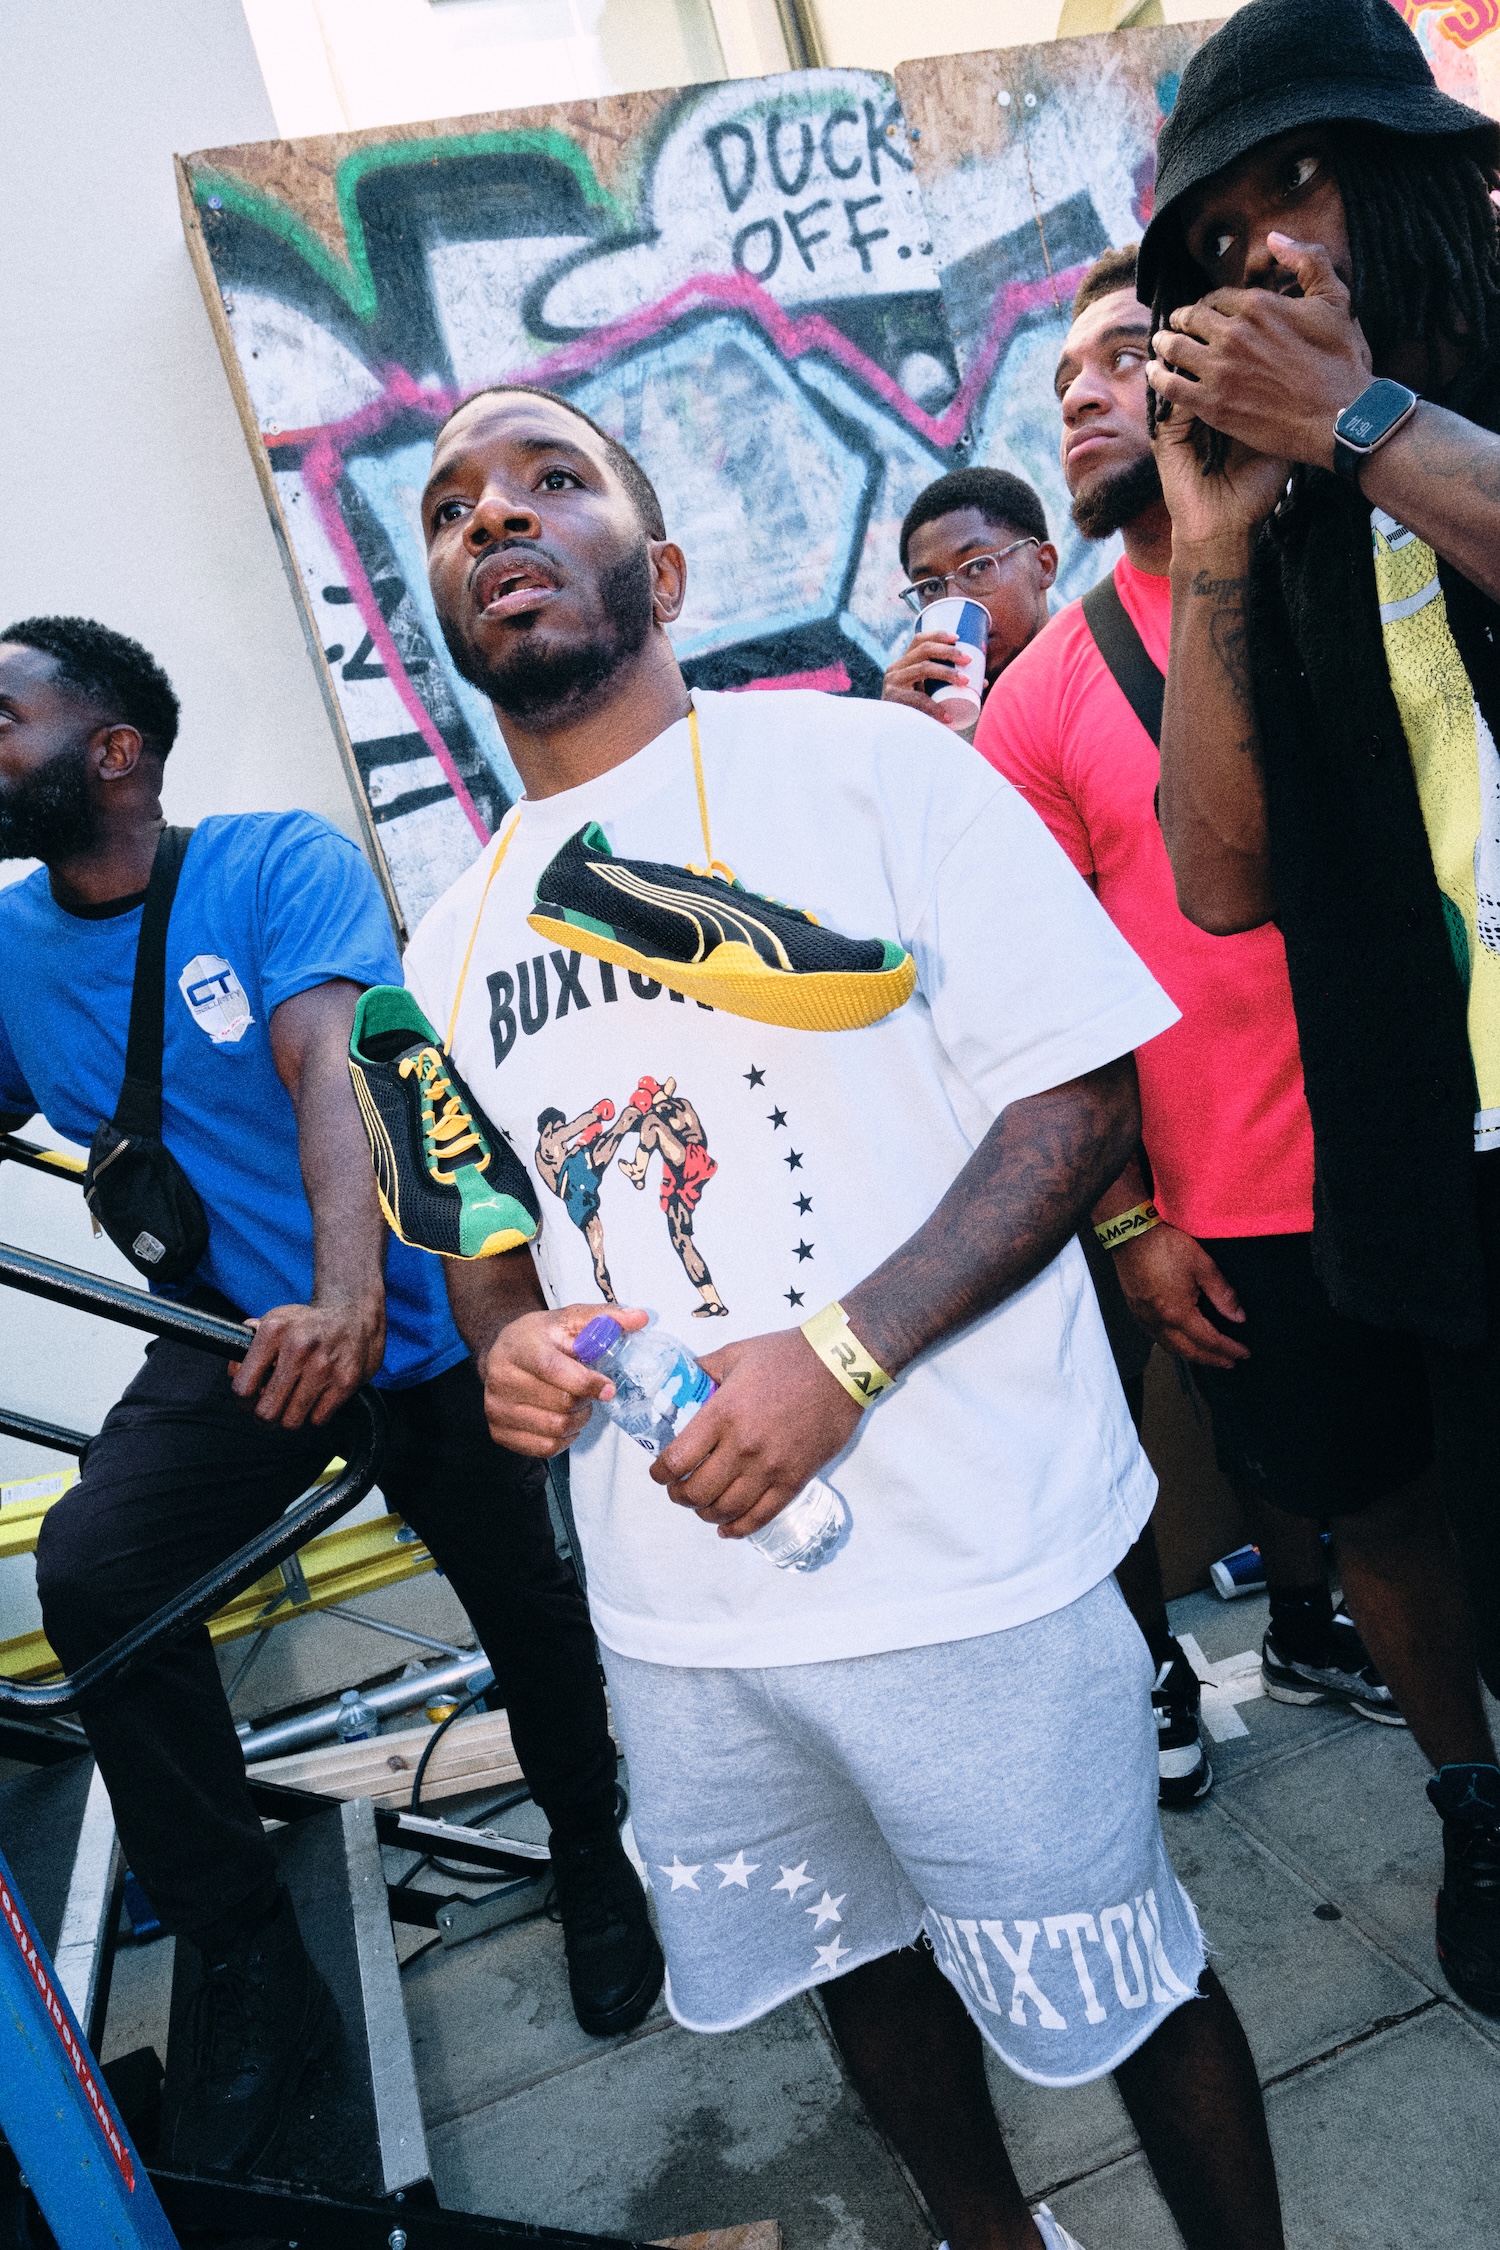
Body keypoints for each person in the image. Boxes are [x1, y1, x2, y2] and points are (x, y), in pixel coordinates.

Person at [394, 380, 1288, 2250]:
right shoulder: (445, 938)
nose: (496, 517)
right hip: (684, 1613)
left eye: (551, 478)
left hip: (970, 1563)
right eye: (454, 506)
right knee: (851, 1964)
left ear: (662, 568)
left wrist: (843, 1356)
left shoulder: (878, 774)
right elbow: (487, 1236)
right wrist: (507, 1348)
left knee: (1129, 1975)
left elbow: (1076, 1100)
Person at [0, 617, 660, 2181]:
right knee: (96, 1573)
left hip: (418, 1315)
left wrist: (355, 1290)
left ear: (113, 751)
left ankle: (592, 1847)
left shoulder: (275, 865)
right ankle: (247, 1958)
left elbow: (333, 1068)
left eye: (0, 715)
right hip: (243, 1342)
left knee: (525, 1604)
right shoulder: (12, 951)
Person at [978, 239, 1491, 1845]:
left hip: (1452, 1131)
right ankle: (1472, 1807)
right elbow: (1034, 998)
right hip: (1252, 1199)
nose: (1087, 392)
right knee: (1375, 1514)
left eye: (1126, 353)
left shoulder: (1383, 553)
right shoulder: (1039, 696)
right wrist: (1130, 1218)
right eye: (1063, 377)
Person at [1136, 0, 1500, 2016]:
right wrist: (1213, 551)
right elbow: (1221, 877)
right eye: (1219, 234)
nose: (1264, 247)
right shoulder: (1300, 515)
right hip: (1450, 1179)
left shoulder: (1413, 427)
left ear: (1413, 171)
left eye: (1300, 180)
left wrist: (1364, 424)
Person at [881, 468, 1058, 729]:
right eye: (930, 587)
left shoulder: (1101, 675)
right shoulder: (933, 722)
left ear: (1044, 565)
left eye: (978, 567)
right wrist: (900, 728)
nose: (954, 599)